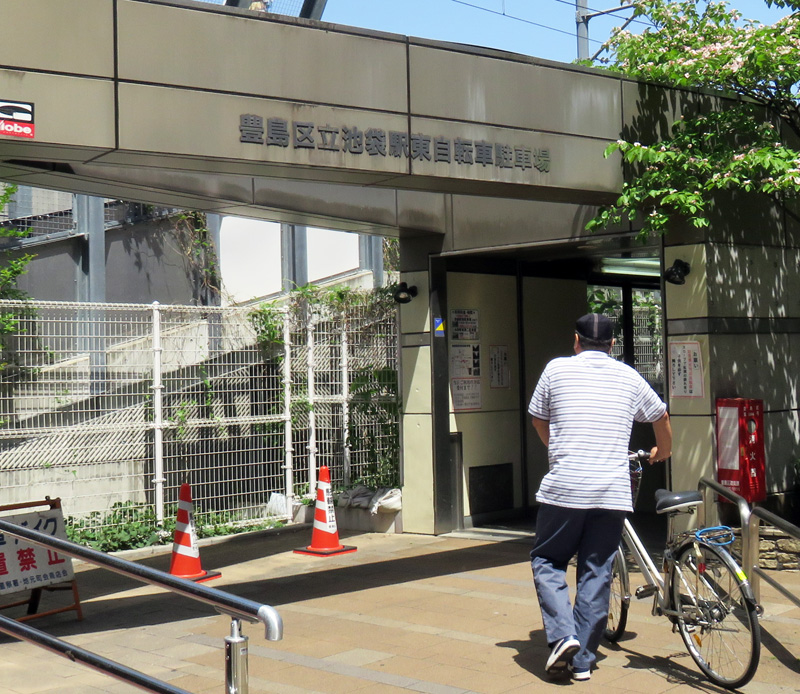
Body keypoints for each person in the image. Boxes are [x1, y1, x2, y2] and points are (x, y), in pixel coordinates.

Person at [528, 313, 672, 681]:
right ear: (612, 345)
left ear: (576, 341)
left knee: (547, 559)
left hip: (564, 489)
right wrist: (663, 450)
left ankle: (562, 636)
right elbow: (660, 414)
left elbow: (538, 419)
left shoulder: (556, 370)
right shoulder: (627, 375)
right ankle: (582, 662)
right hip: (612, 492)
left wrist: (557, 450)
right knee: (597, 570)